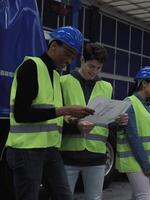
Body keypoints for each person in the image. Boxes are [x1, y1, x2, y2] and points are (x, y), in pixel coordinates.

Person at [5, 26, 94, 200]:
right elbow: (21, 114)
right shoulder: (31, 67)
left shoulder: (54, 75)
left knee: (64, 195)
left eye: (73, 56)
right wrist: (66, 109)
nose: (69, 60)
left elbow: (53, 114)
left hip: (50, 149)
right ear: (53, 45)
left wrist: (75, 121)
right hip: (27, 149)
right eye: (67, 54)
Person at [59, 43, 129, 200]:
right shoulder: (63, 82)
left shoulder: (106, 87)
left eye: (99, 68)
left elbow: (107, 120)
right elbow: (57, 116)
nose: (94, 71)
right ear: (82, 60)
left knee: (95, 198)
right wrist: (76, 124)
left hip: (97, 155)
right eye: (91, 66)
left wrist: (118, 120)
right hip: (68, 154)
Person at [116, 66, 150, 200]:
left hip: (148, 161)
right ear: (143, 83)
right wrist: (145, 164)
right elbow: (132, 136)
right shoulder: (129, 102)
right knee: (143, 196)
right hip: (135, 161)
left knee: (137, 196)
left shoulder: (149, 106)